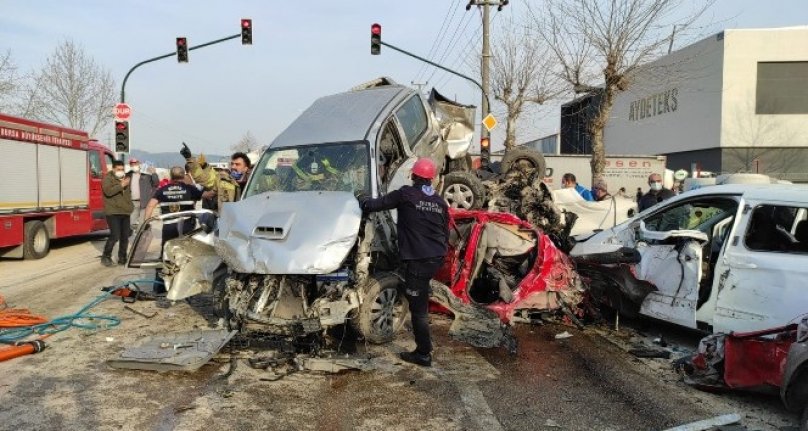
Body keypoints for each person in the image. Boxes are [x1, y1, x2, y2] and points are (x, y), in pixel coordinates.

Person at [357, 158, 449, 367]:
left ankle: (423, 354)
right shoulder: (439, 201)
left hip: (419, 260)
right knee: (417, 291)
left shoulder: (406, 194)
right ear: (431, 179)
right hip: (435, 258)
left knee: (419, 310)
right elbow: (445, 231)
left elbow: (373, 205)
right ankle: (414, 292)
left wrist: (361, 197)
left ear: (413, 176)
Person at [143, 166, 204, 294]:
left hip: (169, 228)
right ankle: (184, 286)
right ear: (183, 176)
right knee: (186, 254)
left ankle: (159, 287)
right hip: (187, 227)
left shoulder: (162, 190)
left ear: (171, 176)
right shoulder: (190, 189)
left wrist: (146, 222)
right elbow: (204, 195)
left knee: (165, 254)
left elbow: (150, 205)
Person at [181, 143, 251, 211]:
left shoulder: (254, 182)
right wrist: (189, 159)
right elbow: (203, 178)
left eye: (237, 164)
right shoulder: (222, 179)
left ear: (246, 168)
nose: (233, 167)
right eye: (232, 164)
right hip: (225, 219)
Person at [101, 160, 134, 267]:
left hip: (125, 211)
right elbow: (108, 192)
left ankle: (122, 257)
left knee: (125, 236)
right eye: (118, 169)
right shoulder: (107, 178)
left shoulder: (126, 178)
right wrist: (121, 185)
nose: (121, 171)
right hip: (113, 212)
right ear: (114, 169)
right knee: (115, 236)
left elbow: (128, 195)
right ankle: (106, 256)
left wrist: (130, 206)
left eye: (122, 169)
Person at [127, 158, 159, 229]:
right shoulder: (128, 175)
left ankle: (139, 237)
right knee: (131, 223)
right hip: (133, 203)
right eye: (132, 164)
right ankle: (134, 234)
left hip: (144, 202)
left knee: (142, 223)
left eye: (135, 163)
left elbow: (156, 183)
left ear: (139, 164)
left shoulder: (146, 175)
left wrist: (154, 173)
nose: (134, 165)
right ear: (130, 165)